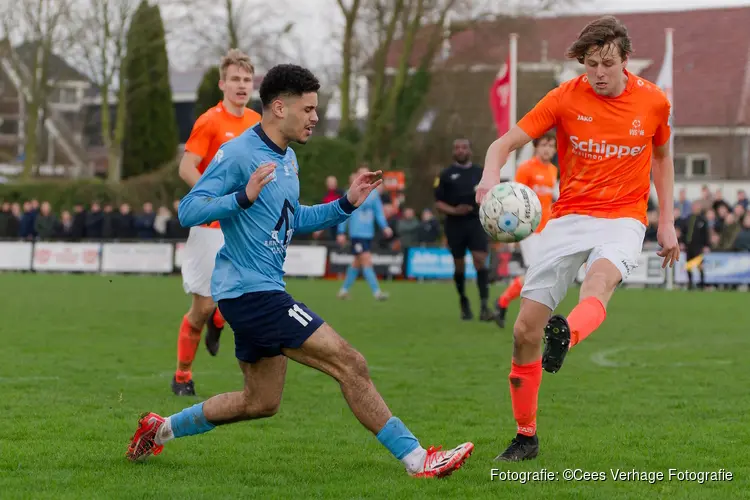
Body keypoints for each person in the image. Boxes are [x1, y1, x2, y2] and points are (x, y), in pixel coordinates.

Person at [126, 64, 474, 478]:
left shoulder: (287, 158)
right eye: (308, 109)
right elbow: (189, 208)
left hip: (255, 293)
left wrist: (346, 203)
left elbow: (293, 219)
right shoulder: (239, 153)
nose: (315, 117)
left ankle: (159, 429)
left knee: (260, 401)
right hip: (253, 294)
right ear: (278, 107)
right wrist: (242, 196)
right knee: (351, 362)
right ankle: (418, 458)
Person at [475, 16, 680, 461]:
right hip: (568, 219)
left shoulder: (653, 102)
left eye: (607, 63)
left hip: (624, 217)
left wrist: (666, 220)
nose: (599, 73)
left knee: (599, 283)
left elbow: (662, 159)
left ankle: (567, 331)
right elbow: (503, 144)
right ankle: (526, 436)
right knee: (525, 330)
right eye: (591, 64)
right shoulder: (565, 97)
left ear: (626, 59)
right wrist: (489, 180)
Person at [172, 49, 261, 396]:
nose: (241, 85)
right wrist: (214, 198)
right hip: (210, 226)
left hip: (245, 225)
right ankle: (182, 375)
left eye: (246, 79)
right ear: (222, 84)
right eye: (235, 79)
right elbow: (186, 167)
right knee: (203, 306)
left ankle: (222, 322)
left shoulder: (257, 122)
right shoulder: (210, 121)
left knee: (249, 297)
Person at [494, 134, 558, 328]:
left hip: (548, 229)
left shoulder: (553, 170)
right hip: (529, 230)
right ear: (536, 147)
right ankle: (537, 315)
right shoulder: (526, 169)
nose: (548, 149)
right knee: (538, 272)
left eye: (551, 146)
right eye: (544, 145)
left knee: (540, 273)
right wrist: (514, 230)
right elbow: (516, 200)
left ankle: (503, 302)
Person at [434, 138, 493, 321]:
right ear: (453, 151)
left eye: (464, 147)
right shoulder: (445, 175)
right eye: (457, 148)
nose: (460, 150)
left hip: (476, 222)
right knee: (459, 265)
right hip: (454, 225)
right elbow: (438, 203)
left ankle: (484, 305)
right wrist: (454, 210)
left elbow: (492, 194)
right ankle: (463, 301)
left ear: (470, 150)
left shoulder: (480, 172)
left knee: (480, 260)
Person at [337, 166, 393, 300]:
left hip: (368, 234)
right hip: (357, 234)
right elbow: (343, 212)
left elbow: (379, 212)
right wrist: (341, 232)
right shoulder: (351, 192)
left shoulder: (373, 194)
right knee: (366, 261)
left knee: (357, 262)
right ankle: (377, 292)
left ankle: (343, 291)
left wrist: (385, 227)